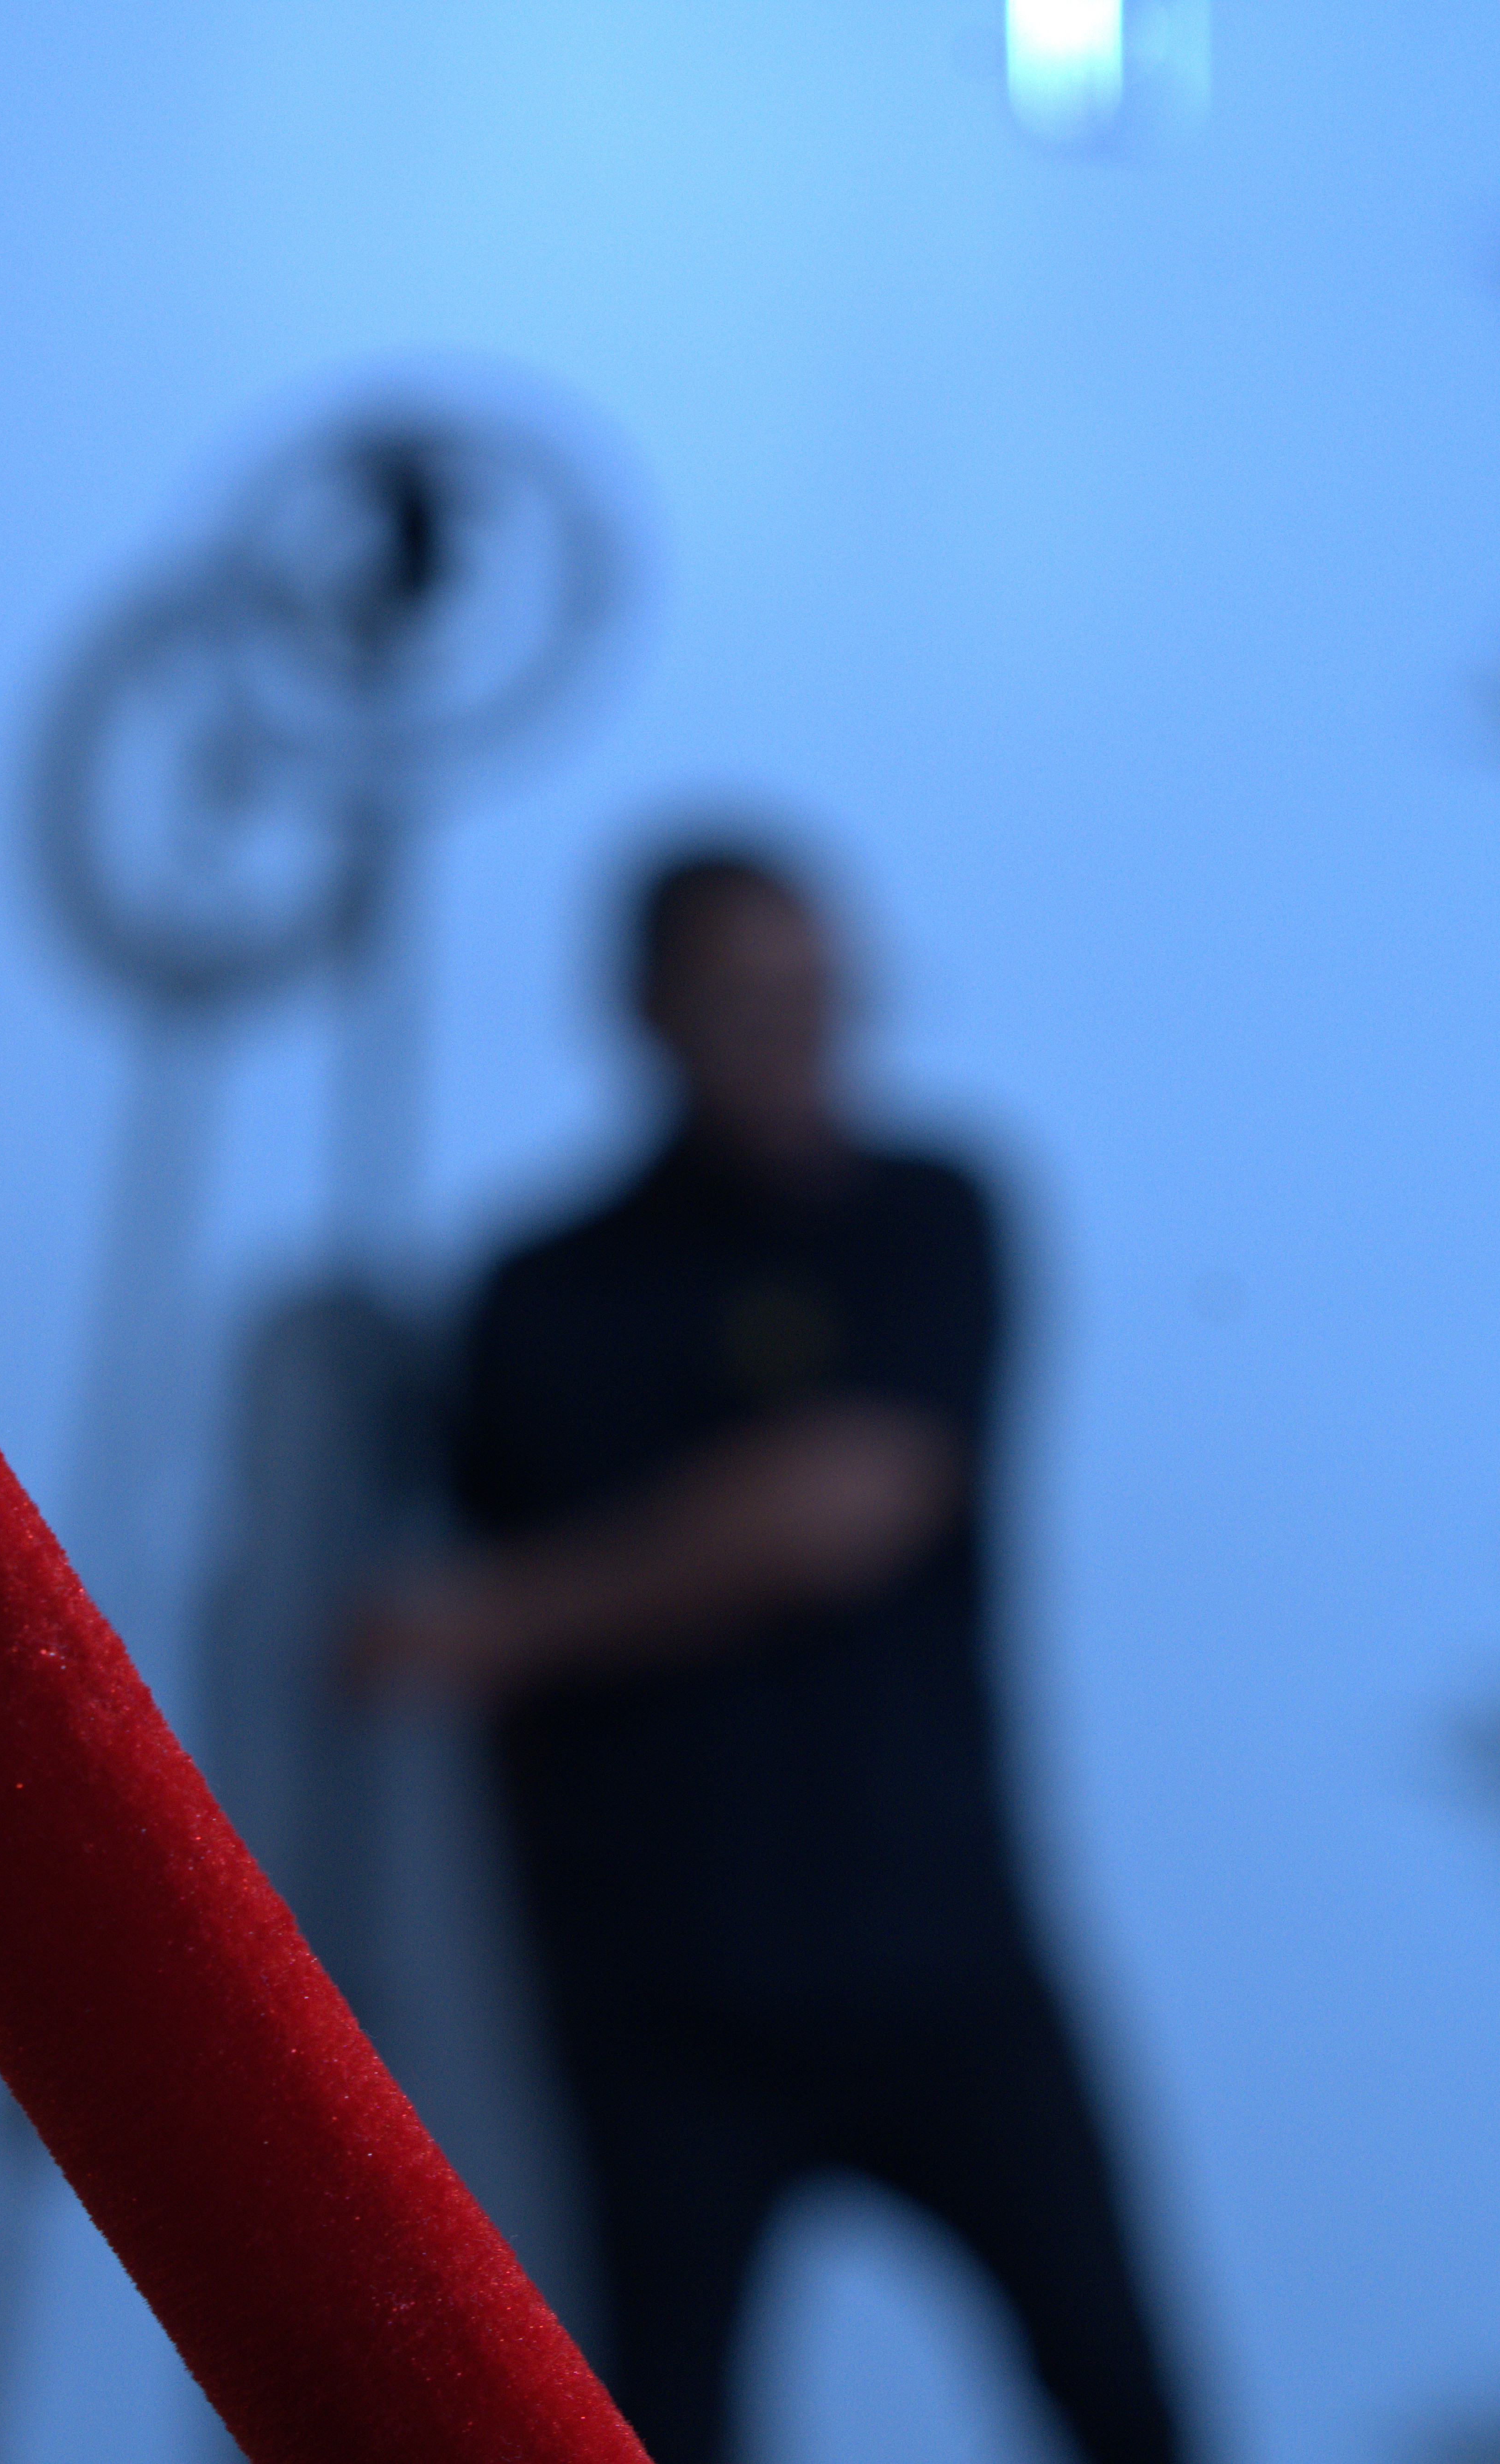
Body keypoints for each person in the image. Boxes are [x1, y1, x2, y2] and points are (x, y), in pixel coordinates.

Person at [355, 838, 1190, 2464]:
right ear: (651, 1013)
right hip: (664, 2012)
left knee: (1129, 2406)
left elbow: (848, 1507)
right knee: (641, 2433)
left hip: (950, 1966)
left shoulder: (929, 1214)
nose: (795, 1035)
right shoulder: (541, 1294)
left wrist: (520, 1618)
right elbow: (398, 1609)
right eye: (748, 1000)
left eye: (818, 996)